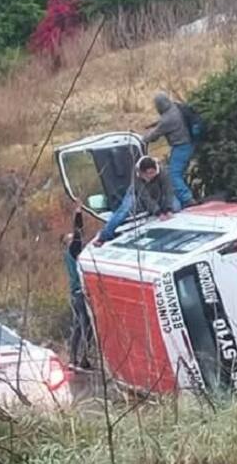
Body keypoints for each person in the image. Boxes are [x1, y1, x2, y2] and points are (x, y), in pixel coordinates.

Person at [94, 156, 180, 245]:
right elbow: (145, 197)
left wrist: (168, 209)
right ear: (142, 173)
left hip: (157, 190)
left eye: (152, 173)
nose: (150, 176)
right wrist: (158, 213)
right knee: (124, 211)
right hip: (136, 193)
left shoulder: (163, 172)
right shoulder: (136, 176)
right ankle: (103, 236)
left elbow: (168, 191)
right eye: (148, 174)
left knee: (176, 206)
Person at [143, 92, 196, 208]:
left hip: (181, 147)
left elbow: (154, 136)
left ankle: (187, 199)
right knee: (178, 173)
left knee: (173, 175)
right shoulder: (176, 107)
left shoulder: (167, 120)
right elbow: (163, 122)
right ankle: (182, 199)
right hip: (189, 143)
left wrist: (143, 138)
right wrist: (153, 125)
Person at [64, 212, 92, 370]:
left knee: (77, 327)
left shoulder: (68, 256)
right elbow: (78, 233)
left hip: (74, 294)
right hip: (80, 294)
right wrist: (78, 214)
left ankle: (72, 359)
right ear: (67, 243)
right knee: (86, 326)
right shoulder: (73, 251)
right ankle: (83, 359)